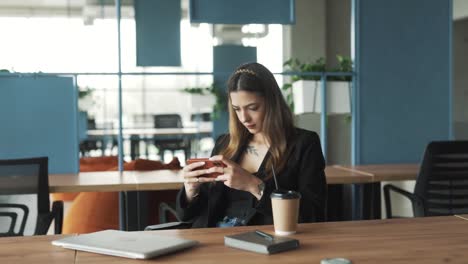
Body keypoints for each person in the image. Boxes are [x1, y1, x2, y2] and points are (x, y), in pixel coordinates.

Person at [176, 62, 327, 228]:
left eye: (252, 108)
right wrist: (191, 191)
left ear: (272, 103)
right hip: (215, 241)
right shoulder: (224, 144)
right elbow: (190, 216)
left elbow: (313, 215)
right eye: (237, 109)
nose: (244, 118)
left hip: (267, 241)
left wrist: (254, 185)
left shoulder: (303, 144)